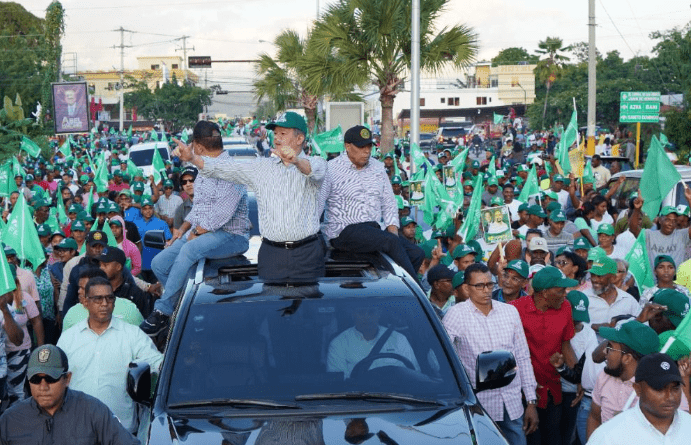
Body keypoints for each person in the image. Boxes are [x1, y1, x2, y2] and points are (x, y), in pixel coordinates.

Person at [175, 113, 327, 282]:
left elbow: (313, 171)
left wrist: (297, 161)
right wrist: (193, 158)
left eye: (283, 134)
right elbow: (224, 169)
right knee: (271, 306)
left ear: (299, 139)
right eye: (275, 133)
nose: (276, 138)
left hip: (306, 253)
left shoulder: (317, 163)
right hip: (272, 254)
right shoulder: (262, 167)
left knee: (308, 306)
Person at [143, 121, 251, 335]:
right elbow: (199, 207)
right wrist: (181, 231)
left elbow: (222, 214)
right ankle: (185, 307)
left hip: (232, 235)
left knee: (189, 250)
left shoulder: (231, 170)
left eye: (193, 145)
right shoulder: (204, 169)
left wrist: (196, 232)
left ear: (198, 146)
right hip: (203, 232)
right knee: (159, 263)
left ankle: (163, 312)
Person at [443, 263, 538, 445]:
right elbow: (445, 358)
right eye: (479, 286)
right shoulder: (456, 315)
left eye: (490, 284)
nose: (486, 290)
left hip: (512, 403)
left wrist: (531, 401)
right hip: (479, 406)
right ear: (466, 288)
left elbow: (523, 356)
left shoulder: (510, 312)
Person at [57, 276, 163, 435]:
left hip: (120, 432)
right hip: (78, 431)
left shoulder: (132, 335)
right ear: (86, 302)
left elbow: (157, 364)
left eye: (109, 298)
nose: (105, 304)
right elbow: (57, 377)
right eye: (98, 299)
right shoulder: (69, 338)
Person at [320, 125, 424, 281]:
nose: (367, 151)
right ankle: (419, 296)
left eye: (369, 146)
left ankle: (397, 294)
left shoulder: (378, 167)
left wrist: (394, 233)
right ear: (347, 146)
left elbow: (389, 203)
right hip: (343, 231)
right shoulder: (330, 169)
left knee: (417, 253)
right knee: (390, 242)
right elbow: (318, 203)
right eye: (361, 146)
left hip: (373, 229)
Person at [0, 344, 139, 444]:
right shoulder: (10, 420)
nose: (43, 387)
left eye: (50, 378)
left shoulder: (93, 411)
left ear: (67, 379)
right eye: (35, 379)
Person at [509, 266, 579, 445]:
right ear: (545, 293)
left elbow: (566, 346)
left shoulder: (565, 307)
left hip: (553, 390)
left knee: (553, 439)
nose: (565, 293)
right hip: (522, 394)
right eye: (560, 289)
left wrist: (579, 379)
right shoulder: (514, 310)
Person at [586, 320, 681, 439]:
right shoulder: (604, 377)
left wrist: (630, 422)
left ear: (627, 358)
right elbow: (594, 418)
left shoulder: (659, 389)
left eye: (610, 347)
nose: (605, 351)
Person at [587, 353, 691, 444]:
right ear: (638, 389)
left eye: (675, 388)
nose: (670, 396)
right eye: (659, 389)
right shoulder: (609, 436)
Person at [326, 303, 419, 379]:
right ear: (353, 314)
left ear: (379, 314)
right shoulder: (339, 343)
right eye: (361, 312)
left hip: (398, 397)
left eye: (371, 312)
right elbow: (339, 384)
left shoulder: (399, 339)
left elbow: (415, 375)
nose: (366, 317)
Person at [3, 266, 44, 407]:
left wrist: (40, 349)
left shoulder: (24, 298)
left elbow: (36, 321)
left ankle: (17, 421)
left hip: (19, 351)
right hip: (2, 352)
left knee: (16, 391)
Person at [62, 268, 143, 331]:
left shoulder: (128, 308)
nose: (79, 291)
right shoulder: (72, 313)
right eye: (79, 287)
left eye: (84, 288)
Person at [583, 256, 641, 334]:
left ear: (613, 278)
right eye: (592, 275)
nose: (594, 279)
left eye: (600, 276)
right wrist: (592, 326)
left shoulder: (628, 300)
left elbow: (641, 327)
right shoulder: (583, 298)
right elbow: (572, 324)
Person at [97, 246, 152, 318]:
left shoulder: (135, 294)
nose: (101, 268)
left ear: (118, 267)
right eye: (100, 264)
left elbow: (142, 321)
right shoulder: (95, 289)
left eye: (105, 265)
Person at [132, 197, 171, 283]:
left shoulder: (162, 223)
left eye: (150, 208)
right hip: (140, 265)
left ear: (153, 209)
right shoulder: (135, 223)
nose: (148, 211)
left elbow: (168, 242)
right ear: (141, 210)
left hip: (157, 264)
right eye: (145, 208)